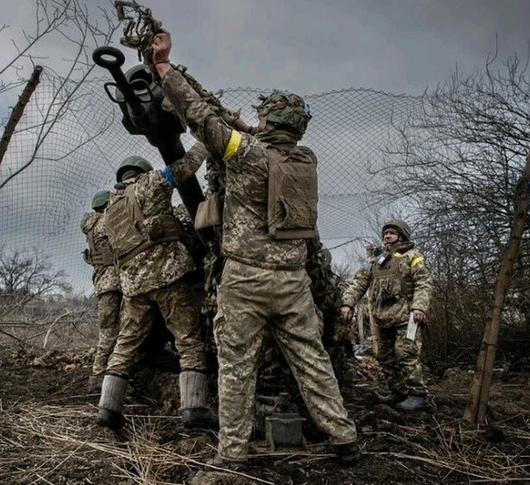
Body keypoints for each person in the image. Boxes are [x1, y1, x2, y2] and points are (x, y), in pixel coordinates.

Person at [150, 30, 359, 467]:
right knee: (311, 360)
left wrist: (165, 66)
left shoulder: (245, 154)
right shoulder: (306, 160)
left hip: (245, 279)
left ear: (268, 124)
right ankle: (344, 440)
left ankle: (232, 455)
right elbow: (262, 145)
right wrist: (250, 129)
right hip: (293, 281)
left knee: (237, 367)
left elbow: (198, 117)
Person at [97, 153, 217, 431]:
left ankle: (107, 408)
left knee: (125, 344)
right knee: (188, 340)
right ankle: (194, 408)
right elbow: (184, 167)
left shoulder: (109, 210)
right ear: (142, 171)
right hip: (167, 278)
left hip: (133, 287)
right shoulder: (151, 183)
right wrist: (205, 139)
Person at [340, 219, 434, 412]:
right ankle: (398, 391)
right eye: (385, 234)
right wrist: (347, 303)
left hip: (407, 318)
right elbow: (359, 282)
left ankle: (418, 395)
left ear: (402, 235)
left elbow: (424, 282)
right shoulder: (375, 260)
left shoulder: (412, 256)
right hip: (382, 319)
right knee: (385, 356)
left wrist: (419, 308)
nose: (387, 236)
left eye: (391, 233)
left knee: (405, 354)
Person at [81, 190, 122, 393]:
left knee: (108, 331)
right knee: (111, 332)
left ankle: (99, 375)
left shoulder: (90, 226)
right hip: (114, 283)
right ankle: (100, 377)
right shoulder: (105, 223)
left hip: (102, 284)